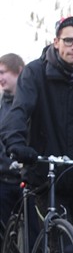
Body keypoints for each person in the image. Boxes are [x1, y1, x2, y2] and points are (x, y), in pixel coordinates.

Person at [0, 16, 73, 245]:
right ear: (56, 42)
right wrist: (17, 144)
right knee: (58, 245)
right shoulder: (34, 73)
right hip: (42, 171)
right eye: (69, 40)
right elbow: (19, 111)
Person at [0, 53, 25, 243]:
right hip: (4, 179)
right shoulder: (2, 104)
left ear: (19, 71)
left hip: (28, 180)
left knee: (33, 237)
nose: (0, 78)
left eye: (3, 72)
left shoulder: (32, 101)